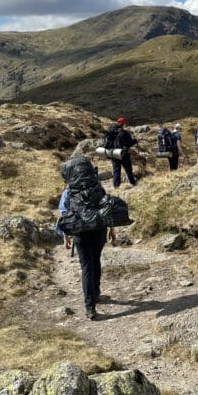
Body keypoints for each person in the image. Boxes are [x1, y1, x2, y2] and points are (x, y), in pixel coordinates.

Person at [59, 179, 116, 321]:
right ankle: (96, 293)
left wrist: (65, 237)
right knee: (96, 259)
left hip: (80, 233)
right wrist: (112, 230)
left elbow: (64, 215)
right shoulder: (97, 187)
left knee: (86, 266)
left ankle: (90, 307)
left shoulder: (69, 191)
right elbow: (107, 209)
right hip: (99, 230)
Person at [107, 117, 138, 188]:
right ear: (123, 124)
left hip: (113, 154)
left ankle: (116, 186)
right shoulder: (125, 133)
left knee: (116, 171)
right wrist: (135, 141)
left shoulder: (111, 133)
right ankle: (133, 183)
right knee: (128, 169)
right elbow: (129, 144)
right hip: (124, 154)